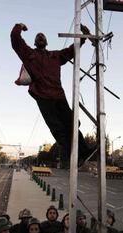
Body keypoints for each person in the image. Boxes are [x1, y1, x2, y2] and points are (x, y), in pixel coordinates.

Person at [10, 23, 94, 166]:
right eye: (38, 36)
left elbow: (71, 51)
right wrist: (19, 27)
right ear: (35, 42)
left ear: (46, 42)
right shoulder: (29, 55)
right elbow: (15, 41)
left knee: (72, 124)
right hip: (43, 97)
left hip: (58, 96)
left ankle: (84, 152)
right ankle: (72, 155)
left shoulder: (55, 56)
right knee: (57, 128)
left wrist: (84, 38)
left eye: (43, 36)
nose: (40, 37)